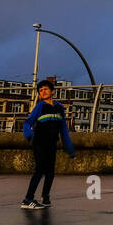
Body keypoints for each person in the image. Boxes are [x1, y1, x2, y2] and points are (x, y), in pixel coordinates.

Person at [21, 79, 74, 209]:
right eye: (40, 91)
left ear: (53, 91)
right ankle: (28, 199)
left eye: (45, 89)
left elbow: (63, 129)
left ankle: (45, 197)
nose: (43, 92)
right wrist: (29, 136)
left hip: (52, 144)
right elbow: (27, 122)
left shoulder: (59, 108)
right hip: (39, 142)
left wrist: (69, 147)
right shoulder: (40, 107)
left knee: (50, 171)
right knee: (40, 170)